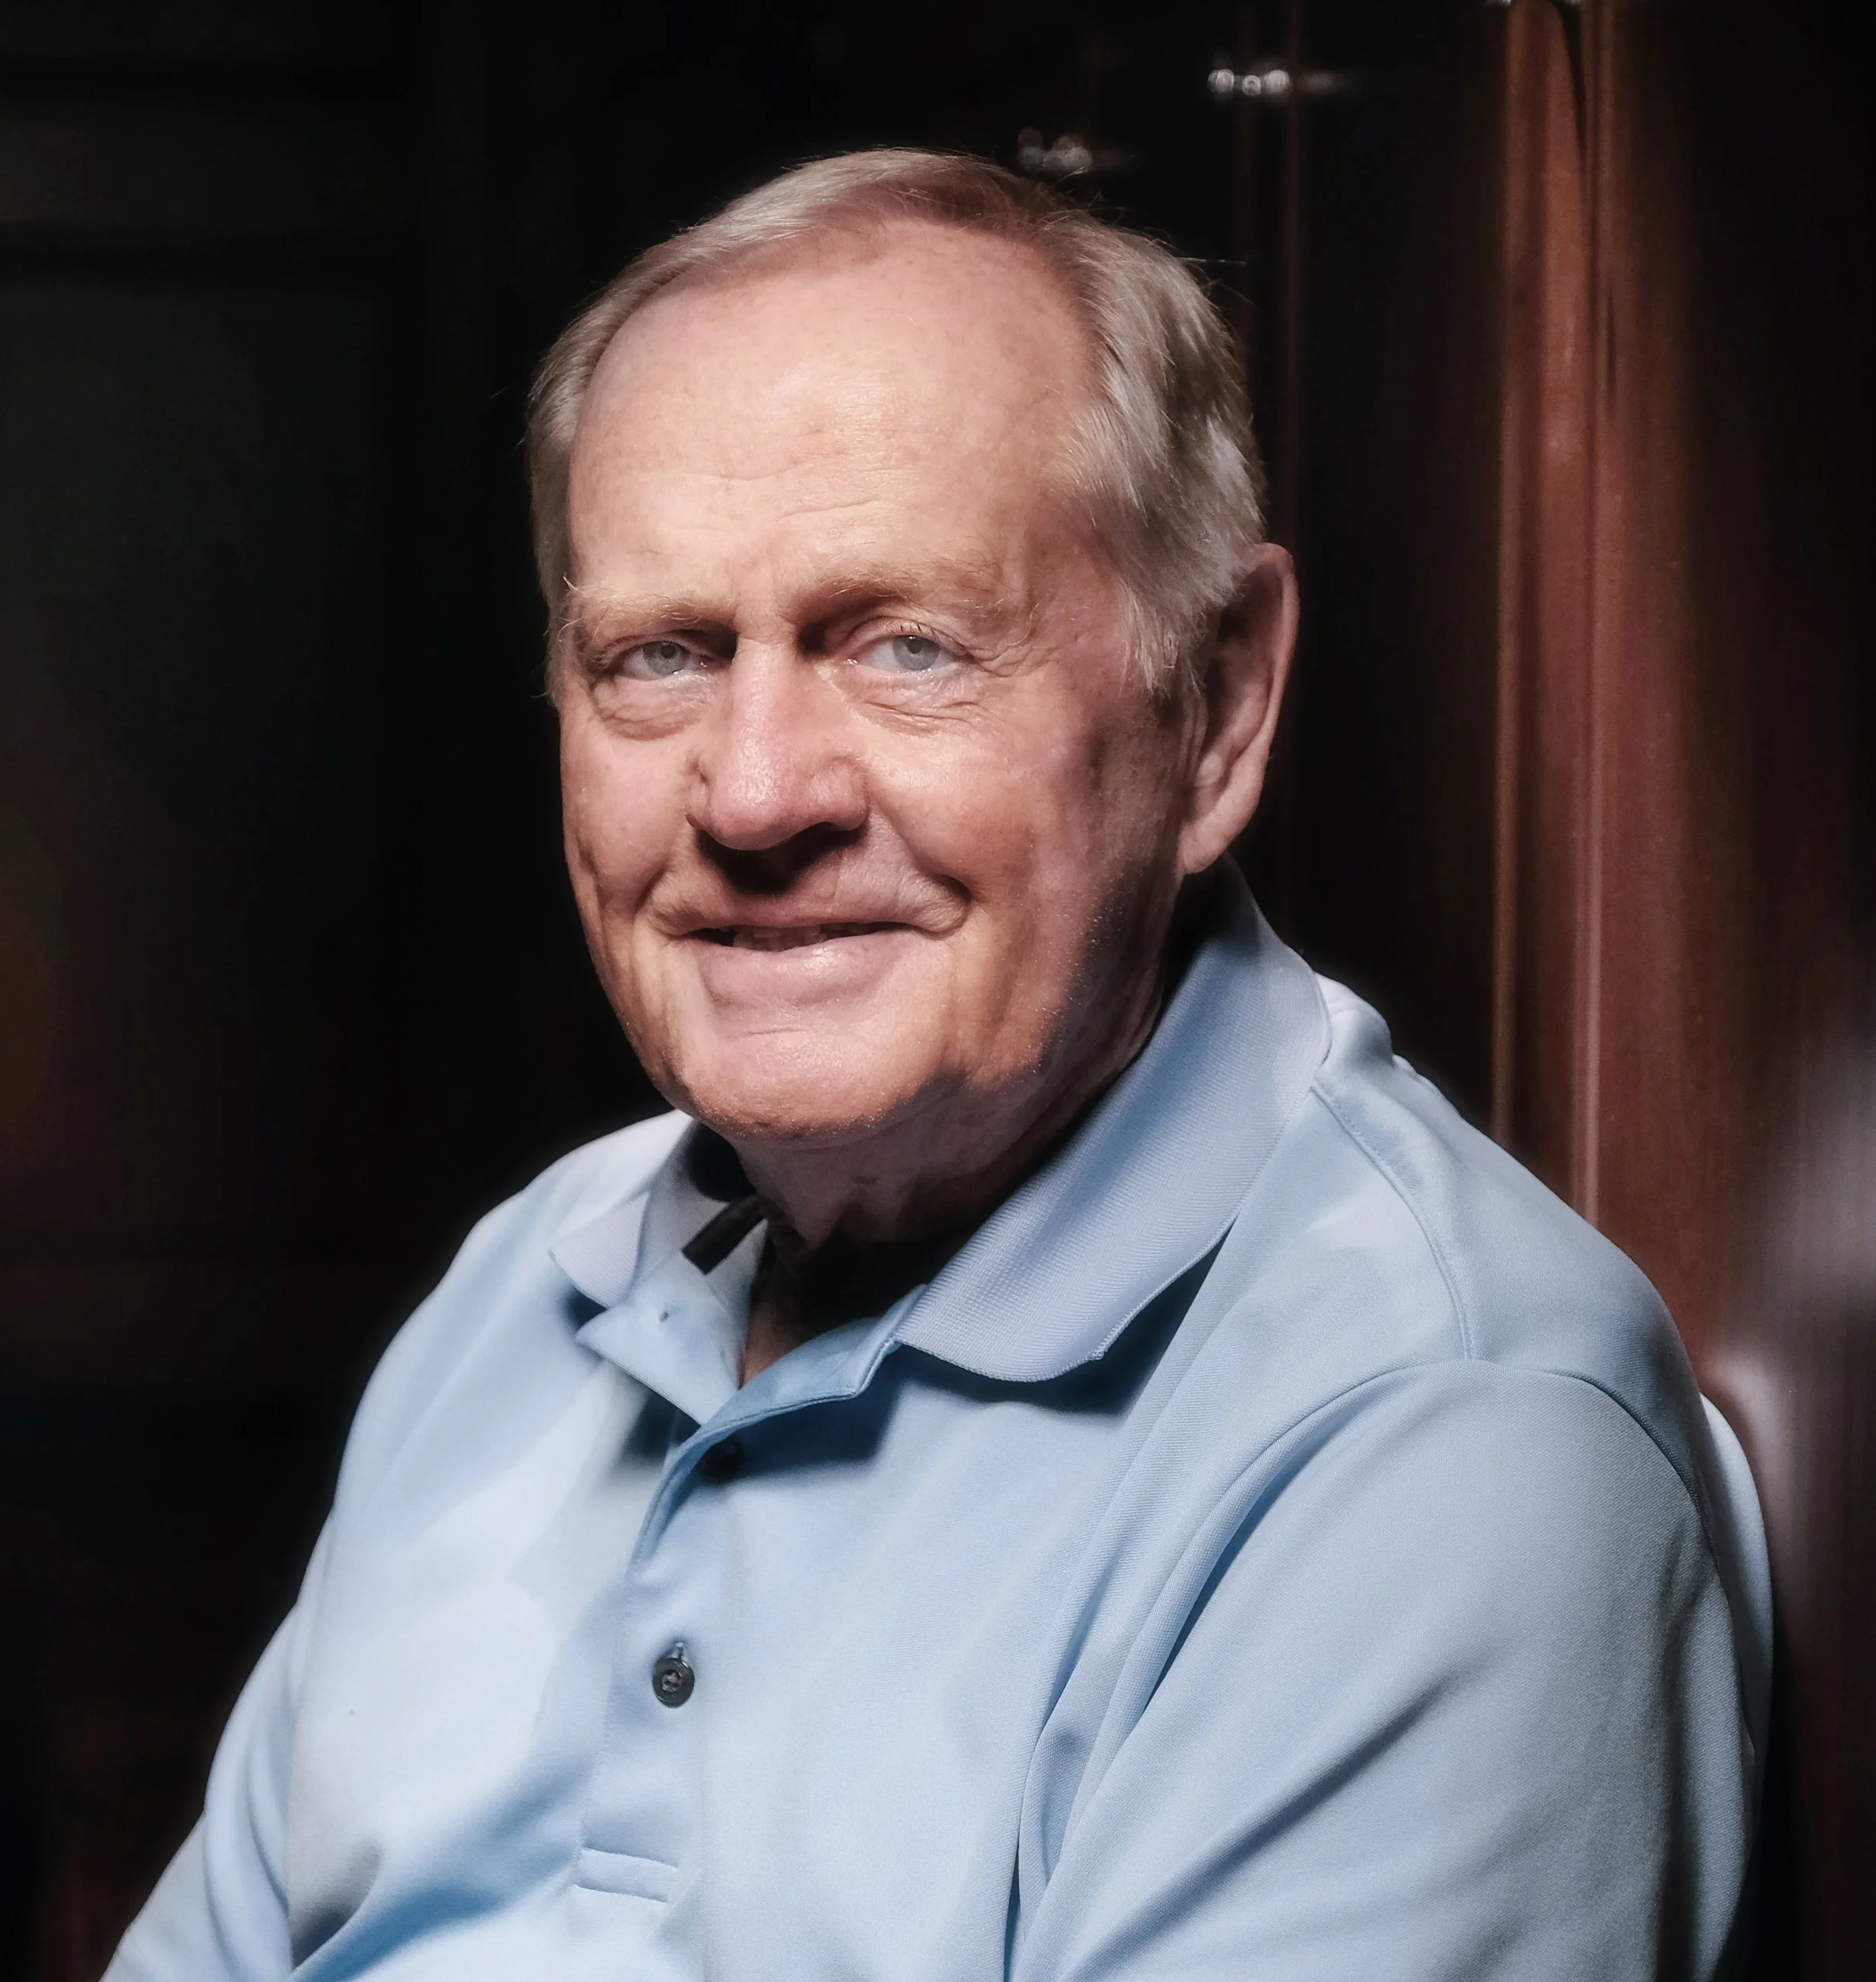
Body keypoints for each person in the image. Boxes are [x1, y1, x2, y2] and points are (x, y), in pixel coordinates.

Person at [106, 151, 1765, 1981]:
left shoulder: (1437, 1446)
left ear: (1213, 709)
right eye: (657, 655)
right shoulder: (521, 1288)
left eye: (903, 645)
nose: (750, 794)